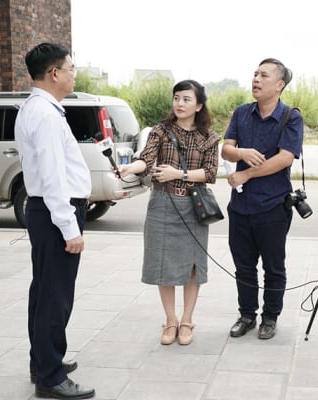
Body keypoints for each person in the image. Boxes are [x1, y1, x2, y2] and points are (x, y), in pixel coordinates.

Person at [15, 42, 95, 399]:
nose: (74, 73)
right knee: (55, 296)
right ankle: (50, 376)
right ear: (55, 73)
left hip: (44, 211)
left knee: (44, 291)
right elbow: (52, 177)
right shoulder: (46, 114)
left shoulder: (38, 108)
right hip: (53, 213)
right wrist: (70, 227)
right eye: (71, 68)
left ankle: (43, 361)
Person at [119, 80, 220, 346]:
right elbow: (146, 158)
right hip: (162, 204)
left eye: (187, 99)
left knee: (191, 267)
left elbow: (210, 174)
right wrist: (131, 168)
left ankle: (187, 320)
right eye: (176, 98)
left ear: (198, 105)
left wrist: (179, 174)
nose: (180, 104)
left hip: (193, 208)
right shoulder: (160, 132)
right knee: (163, 264)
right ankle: (170, 320)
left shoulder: (209, 138)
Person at [222, 58, 303, 340]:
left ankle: (270, 317)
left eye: (264, 75)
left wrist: (247, 175)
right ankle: (246, 315)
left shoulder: (290, 116)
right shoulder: (242, 113)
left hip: (273, 206)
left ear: (279, 85)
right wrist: (242, 153)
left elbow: (285, 158)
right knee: (243, 266)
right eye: (255, 74)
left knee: (273, 266)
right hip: (241, 207)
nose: (256, 79)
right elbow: (226, 149)